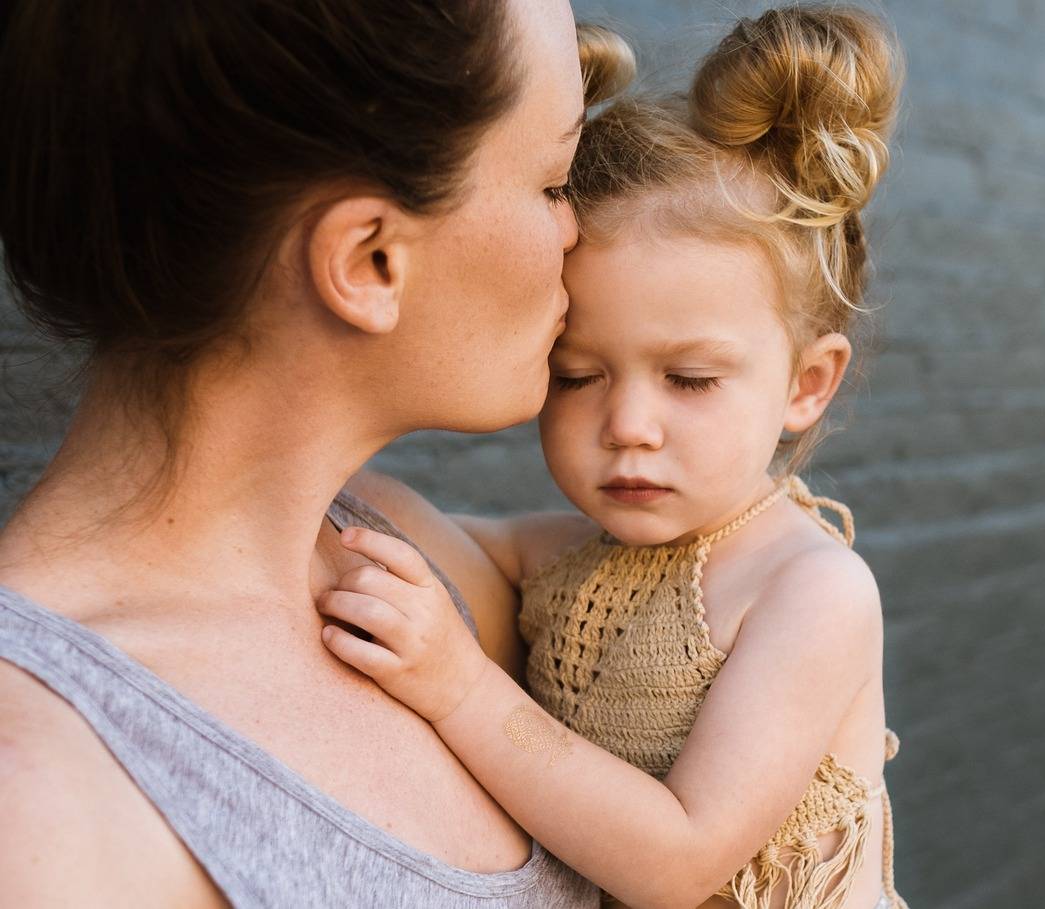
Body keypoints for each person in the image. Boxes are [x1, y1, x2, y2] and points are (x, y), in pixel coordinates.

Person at [0, 0, 602, 905]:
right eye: (555, 183)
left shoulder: (406, 556)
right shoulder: (42, 794)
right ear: (369, 262)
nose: (578, 232)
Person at [315, 7, 910, 908]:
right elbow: (393, 522)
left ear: (806, 383)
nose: (629, 422)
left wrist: (462, 688)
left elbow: (679, 859)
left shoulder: (808, 590)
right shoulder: (564, 559)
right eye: (578, 374)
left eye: (690, 379)